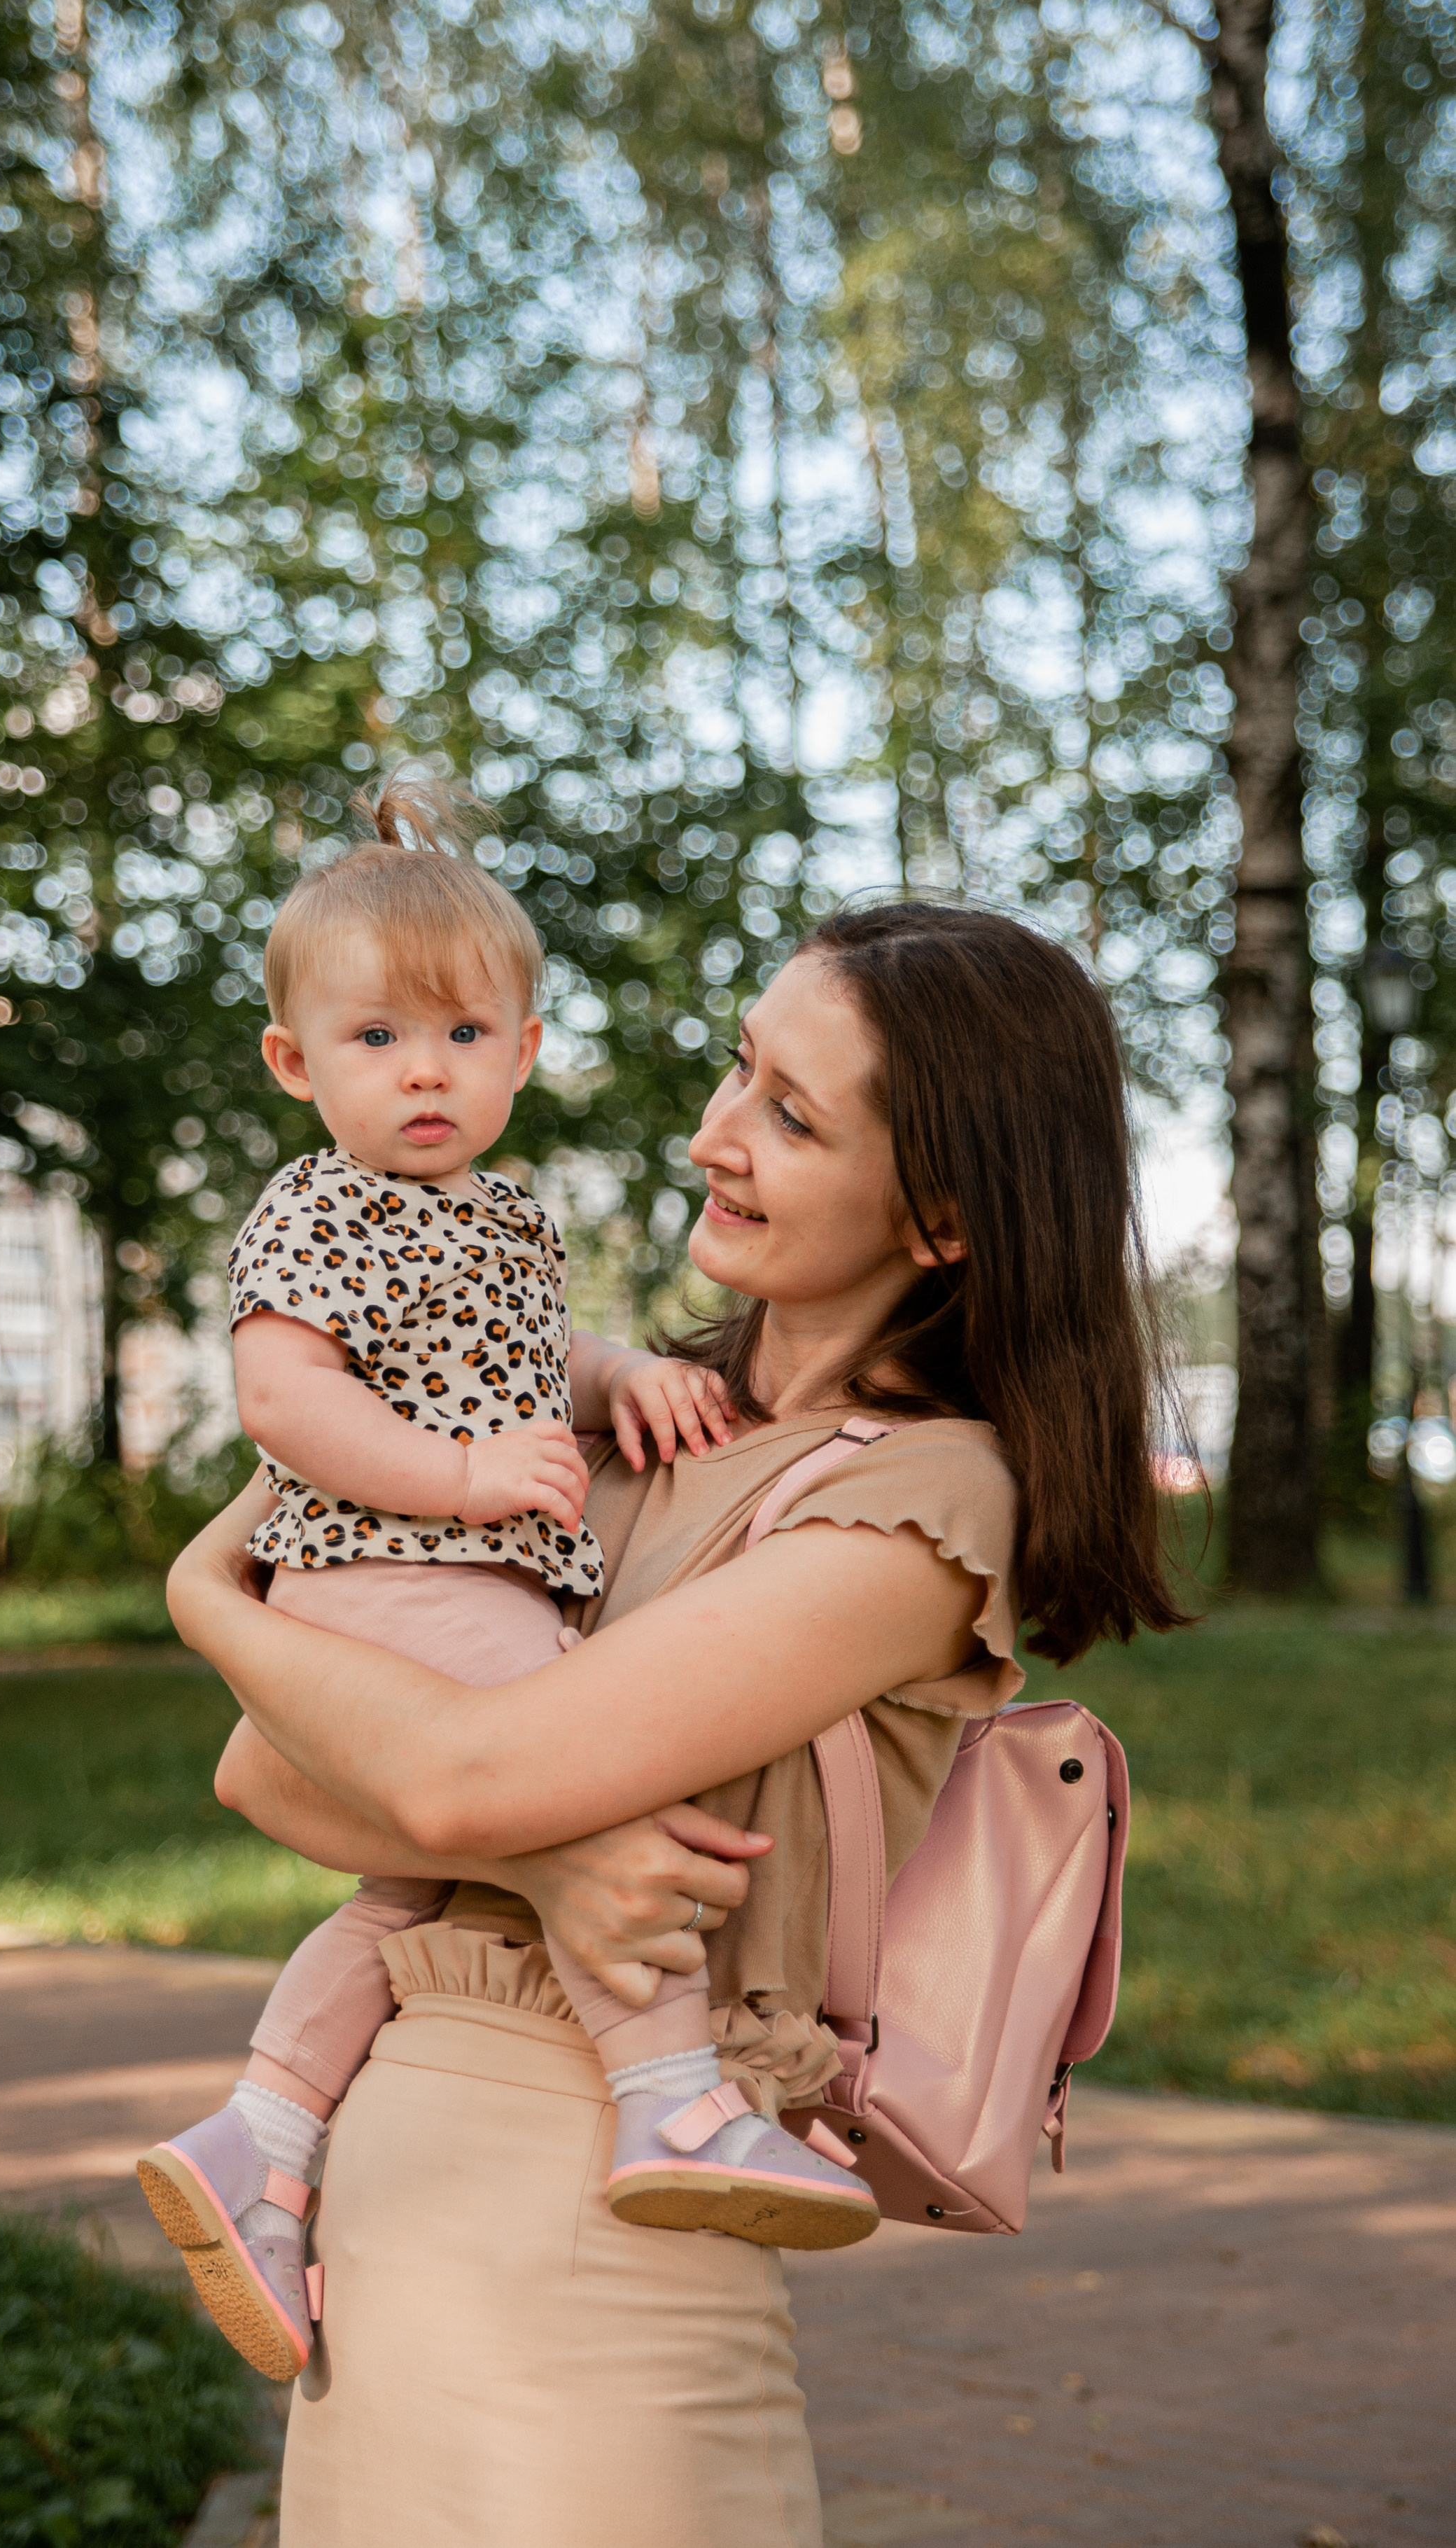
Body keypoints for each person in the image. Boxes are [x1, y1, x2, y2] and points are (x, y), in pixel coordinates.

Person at [167, 897, 1186, 2548]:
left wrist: (218, 1608)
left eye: (790, 1114)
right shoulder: (627, 1426)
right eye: (737, 1068)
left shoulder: (922, 1501)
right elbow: (266, 1762)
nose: (713, 1133)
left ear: (941, 1217)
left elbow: (438, 1774)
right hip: (395, 2210)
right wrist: (552, 1856)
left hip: (601, 2235)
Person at [139, 782, 878, 2385]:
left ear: (527, 1051)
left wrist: (615, 1379)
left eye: (466, 1035)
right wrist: (467, 1477)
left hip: (467, 1570)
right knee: (572, 1776)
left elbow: (532, 1358)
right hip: (392, 1567)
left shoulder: (502, 1218)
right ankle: (670, 2086)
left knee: (411, 1888)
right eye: (378, 1038)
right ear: (294, 1064)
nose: (425, 1071)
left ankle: (258, 2130)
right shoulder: (319, 1209)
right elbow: (286, 1405)